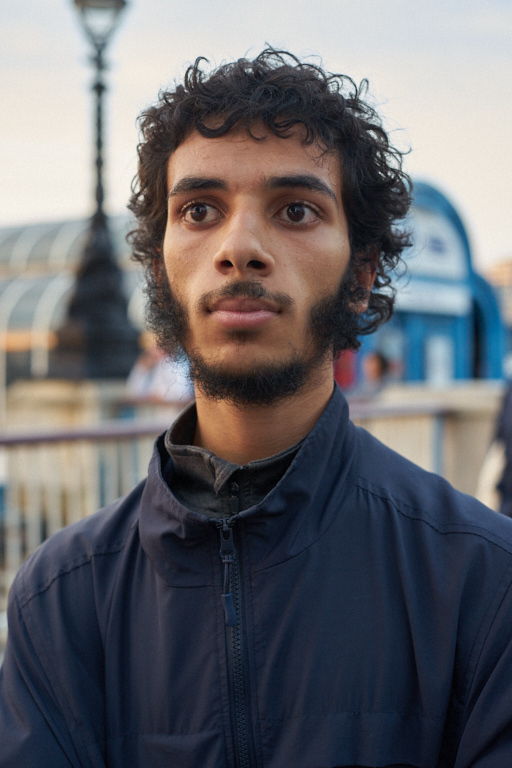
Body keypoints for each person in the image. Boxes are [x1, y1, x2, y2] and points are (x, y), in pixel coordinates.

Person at [2, 50, 512, 768]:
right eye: (200, 211)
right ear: (159, 268)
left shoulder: (482, 583)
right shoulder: (60, 601)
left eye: (295, 211)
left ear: (361, 273)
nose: (239, 248)